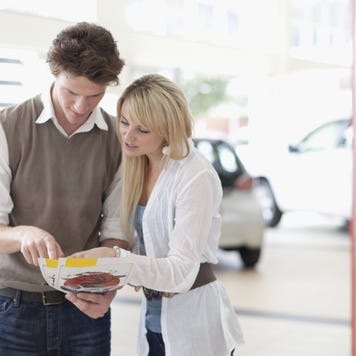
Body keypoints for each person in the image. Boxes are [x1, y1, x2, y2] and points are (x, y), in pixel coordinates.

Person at [68, 74, 244, 356]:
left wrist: (115, 259)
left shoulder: (194, 175)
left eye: (143, 129)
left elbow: (181, 272)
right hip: (154, 320)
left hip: (193, 325)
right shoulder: (138, 165)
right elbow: (146, 247)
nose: (128, 135)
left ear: (168, 129)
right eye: (124, 122)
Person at [0, 22, 128, 355]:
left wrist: (108, 290)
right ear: (54, 74)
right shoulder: (7, 127)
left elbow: (116, 231)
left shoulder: (117, 139)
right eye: (71, 92)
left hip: (86, 311)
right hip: (12, 309)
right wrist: (24, 234)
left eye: (95, 96)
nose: (81, 107)